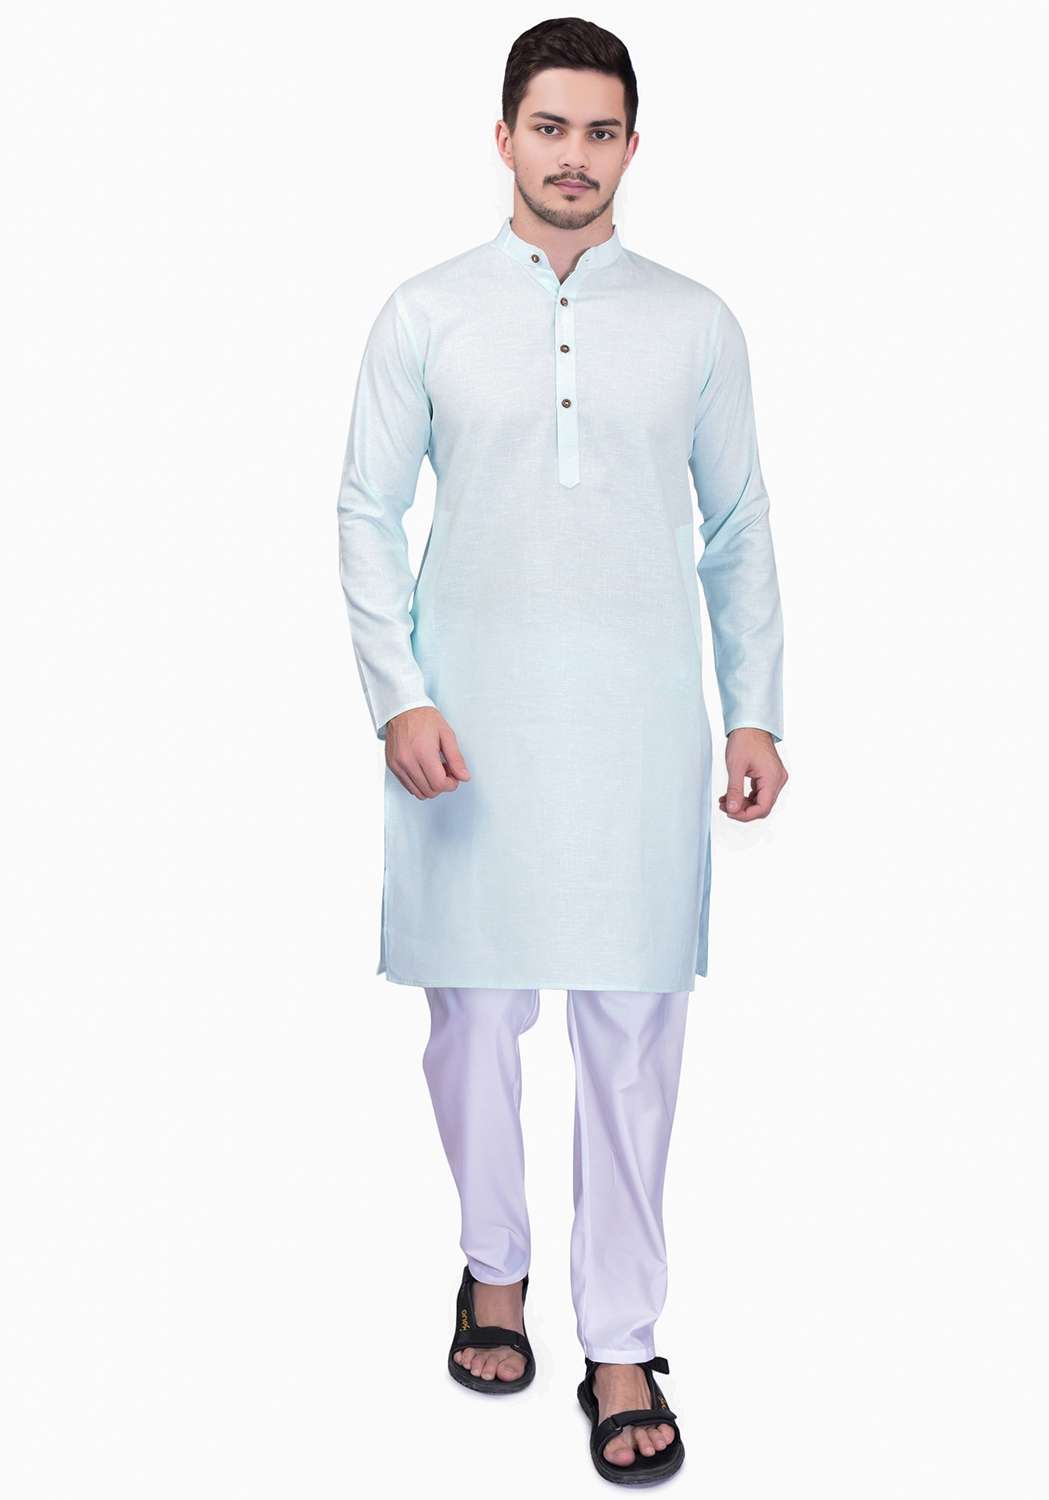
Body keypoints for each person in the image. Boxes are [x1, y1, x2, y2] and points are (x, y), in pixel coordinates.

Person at [336, 17, 787, 1485]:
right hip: (465, 731)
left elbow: (738, 526)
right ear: (504, 137)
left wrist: (754, 709)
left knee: (634, 1039)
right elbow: (364, 510)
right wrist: (397, 695)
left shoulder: (695, 321)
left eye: (600, 131)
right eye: (550, 127)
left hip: (639, 729)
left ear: (632, 147)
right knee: (472, 1024)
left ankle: (621, 1341)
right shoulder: (426, 311)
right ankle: (493, 1266)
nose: (574, 156)